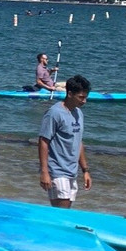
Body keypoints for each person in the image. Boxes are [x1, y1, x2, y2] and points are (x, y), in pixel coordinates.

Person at [38, 74, 92, 208]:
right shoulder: (54, 113)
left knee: (66, 212)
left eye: (86, 97)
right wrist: (44, 172)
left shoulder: (78, 113)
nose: (84, 101)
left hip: (72, 171)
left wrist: (85, 170)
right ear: (69, 94)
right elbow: (43, 141)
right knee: (62, 213)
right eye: (81, 97)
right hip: (57, 170)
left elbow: (78, 142)